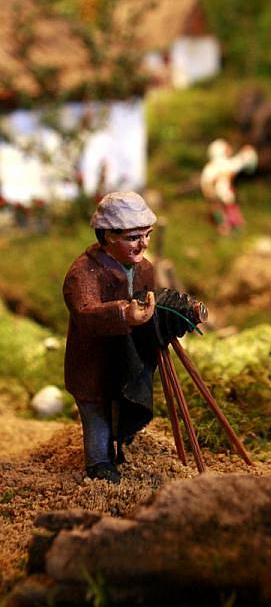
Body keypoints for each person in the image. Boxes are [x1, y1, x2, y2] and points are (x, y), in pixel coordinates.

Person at [62, 190, 159, 484]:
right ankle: (99, 462)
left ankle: (122, 439)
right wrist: (123, 314)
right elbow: (85, 311)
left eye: (147, 235)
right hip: (93, 361)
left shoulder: (144, 269)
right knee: (97, 414)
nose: (142, 244)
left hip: (127, 359)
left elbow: (151, 299)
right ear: (107, 236)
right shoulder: (83, 273)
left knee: (124, 402)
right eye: (133, 237)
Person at [200, 139, 257, 235]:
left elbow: (206, 181)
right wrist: (247, 154)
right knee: (227, 207)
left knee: (218, 208)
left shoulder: (211, 166)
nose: (230, 150)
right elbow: (237, 164)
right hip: (221, 191)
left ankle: (225, 227)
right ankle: (230, 228)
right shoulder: (222, 164)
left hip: (213, 192)